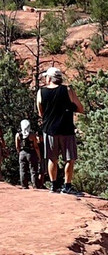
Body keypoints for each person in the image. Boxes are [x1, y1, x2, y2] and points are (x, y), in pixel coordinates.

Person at [36, 66, 84, 195]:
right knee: (69, 158)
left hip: (49, 129)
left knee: (52, 158)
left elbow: (41, 113)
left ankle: (53, 186)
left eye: (46, 77)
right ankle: (67, 186)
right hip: (66, 128)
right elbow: (80, 108)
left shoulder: (41, 92)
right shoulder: (67, 89)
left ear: (50, 78)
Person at [14, 120, 42, 189]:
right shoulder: (32, 135)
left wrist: (19, 153)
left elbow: (17, 146)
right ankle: (35, 185)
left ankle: (24, 185)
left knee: (22, 170)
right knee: (33, 170)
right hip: (31, 153)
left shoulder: (18, 135)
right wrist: (39, 156)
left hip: (22, 153)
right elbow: (36, 147)